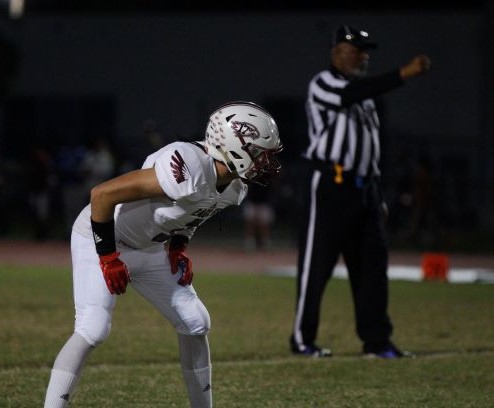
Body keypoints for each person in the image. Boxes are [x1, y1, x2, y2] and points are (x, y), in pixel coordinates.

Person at [43, 101, 283, 407]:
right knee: (93, 329)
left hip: (150, 247)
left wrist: (179, 246)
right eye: (260, 153)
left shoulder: (235, 187)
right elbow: (102, 195)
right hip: (101, 237)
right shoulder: (188, 164)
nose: (266, 162)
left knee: (196, 322)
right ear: (235, 146)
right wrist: (107, 256)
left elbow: (193, 212)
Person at [290, 24, 431, 358]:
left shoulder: (365, 98)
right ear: (337, 52)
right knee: (317, 265)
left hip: (364, 190)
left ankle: (377, 341)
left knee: (372, 268)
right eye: (357, 50)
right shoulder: (324, 83)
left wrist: (377, 193)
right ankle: (302, 339)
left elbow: (368, 145)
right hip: (331, 186)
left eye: (366, 51)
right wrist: (402, 74)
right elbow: (349, 95)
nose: (364, 57)